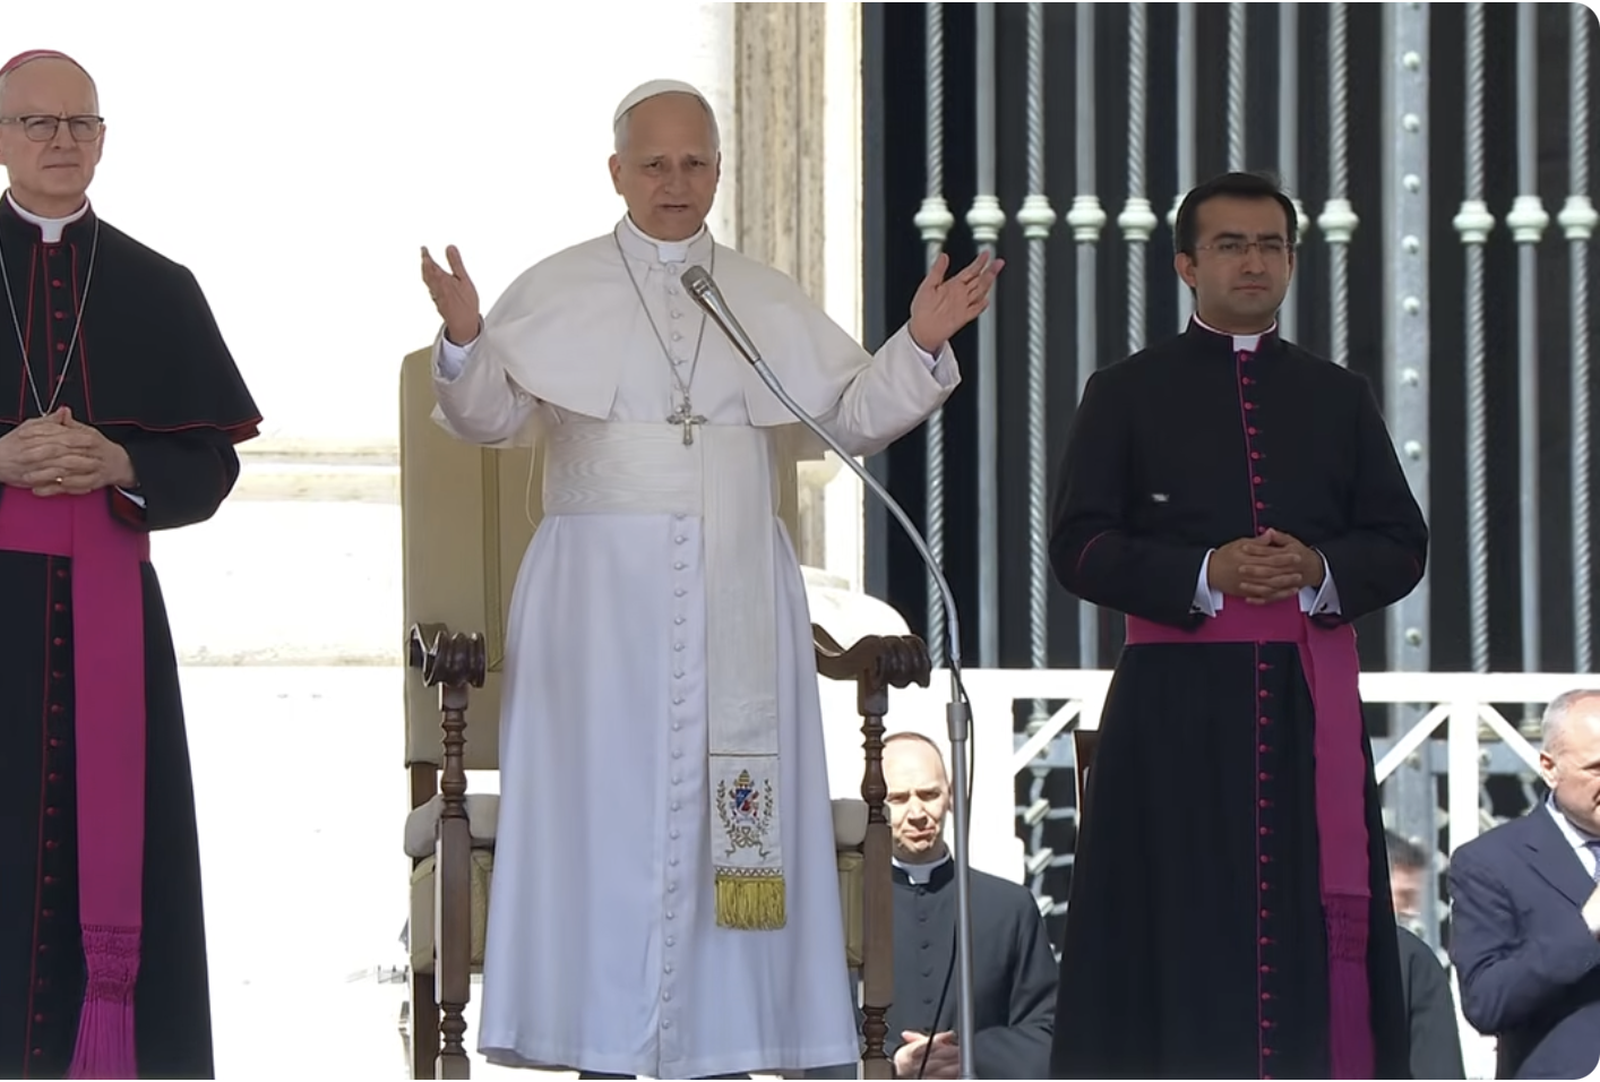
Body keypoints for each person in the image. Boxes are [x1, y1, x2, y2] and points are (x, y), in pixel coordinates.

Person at [418, 78, 1000, 1079]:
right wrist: (469, 341)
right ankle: (597, 1035)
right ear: (616, 172)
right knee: (602, 819)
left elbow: (850, 415)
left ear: (719, 172)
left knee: (738, 817)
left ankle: (732, 1037)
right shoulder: (554, 289)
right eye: (654, 163)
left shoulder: (760, 295)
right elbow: (488, 418)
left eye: (695, 163)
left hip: (737, 596)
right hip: (595, 616)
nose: (675, 182)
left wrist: (922, 343)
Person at [1046, 170, 1428, 1079]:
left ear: (1292, 262)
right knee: (1177, 928)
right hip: (1173, 719)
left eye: (1270, 245)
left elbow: (1401, 543)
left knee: (1303, 927)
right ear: (1186, 264)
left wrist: (1319, 568)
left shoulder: (1339, 397)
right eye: (1230, 244)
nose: (1253, 261)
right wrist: (1203, 572)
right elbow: (1079, 548)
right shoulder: (1126, 391)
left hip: (1305, 716)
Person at [0, 49, 260, 1080]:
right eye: (37, 123)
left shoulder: (160, 285)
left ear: (103, 139)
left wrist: (121, 459)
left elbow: (210, 462)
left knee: (115, 854)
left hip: (111, 616)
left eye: (82, 124)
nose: (63, 142)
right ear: (3, 136)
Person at [879, 732, 1055, 1079]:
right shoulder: (845, 911)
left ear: (951, 796)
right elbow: (812, 1037)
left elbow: (1048, 1030)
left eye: (929, 794)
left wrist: (968, 1056)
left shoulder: (1010, 908)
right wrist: (893, 1063)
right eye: (898, 799)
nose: (917, 813)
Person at [1448, 688, 1600, 1080]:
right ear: (1550, 767)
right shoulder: (1491, 862)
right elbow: (1486, 1002)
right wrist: (1586, 928)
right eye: (1598, 767)